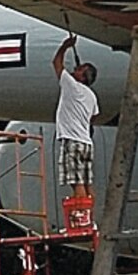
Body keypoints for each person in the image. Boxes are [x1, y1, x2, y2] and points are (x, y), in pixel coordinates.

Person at [53, 35, 100, 206]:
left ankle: (81, 217)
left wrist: (65, 46)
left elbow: (57, 63)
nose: (75, 69)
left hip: (72, 140)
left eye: (79, 69)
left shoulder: (71, 84)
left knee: (76, 182)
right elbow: (94, 116)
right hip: (86, 143)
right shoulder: (92, 96)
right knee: (87, 183)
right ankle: (89, 218)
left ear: (83, 77)